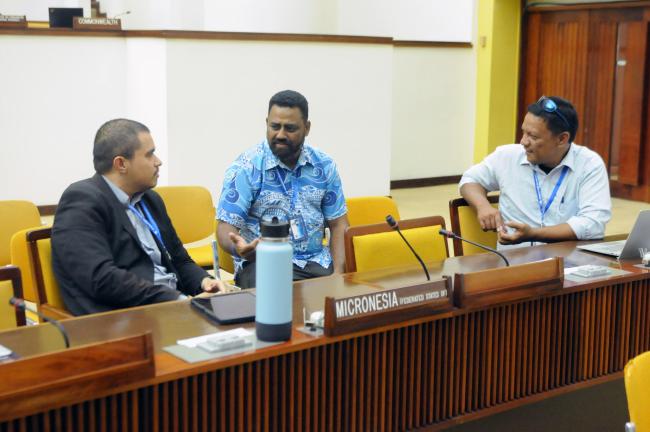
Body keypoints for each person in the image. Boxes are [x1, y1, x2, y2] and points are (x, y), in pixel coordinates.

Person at [52, 119, 224, 315]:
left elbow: (180, 260)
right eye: (150, 154)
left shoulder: (150, 199)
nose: (158, 161)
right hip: (124, 318)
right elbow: (102, 279)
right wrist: (177, 301)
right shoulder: (82, 200)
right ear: (121, 164)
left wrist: (205, 282)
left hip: (170, 309)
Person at [217, 90, 349, 288]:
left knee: (340, 303)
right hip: (263, 264)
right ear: (266, 123)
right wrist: (238, 248)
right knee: (274, 305)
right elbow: (225, 226)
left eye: (290, 128)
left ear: (307, 128)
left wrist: (339, 273)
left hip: (315, 262)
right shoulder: (246, 167)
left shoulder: (324, 165)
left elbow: (339, 225)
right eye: (274, 126)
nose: (280, 135)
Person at [460, 96, 611, 248]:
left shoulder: (589, 164)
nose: (523, 142)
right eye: (523, 132)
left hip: (568, 265)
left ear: (562, 139)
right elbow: (469, 180)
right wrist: (483, 206)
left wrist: (533, 234)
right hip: (514, 264)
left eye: (532, 136)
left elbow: (593, 224)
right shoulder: (507, 157)